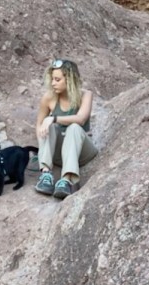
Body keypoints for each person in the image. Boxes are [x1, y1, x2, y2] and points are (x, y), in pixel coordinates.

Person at [34, 59, 98, 199]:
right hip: (58, 154)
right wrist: (44, 143)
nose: (52, 83)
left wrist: (54, 118)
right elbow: (39, 125)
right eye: (52, 79)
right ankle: (46, 175)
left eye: (57, 79)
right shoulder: (49, 98)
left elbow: (81, 119)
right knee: (47, 124)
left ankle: (67, 180)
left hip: (80, 152)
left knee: (74, 127)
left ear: (69, 79)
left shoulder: (86, 95)